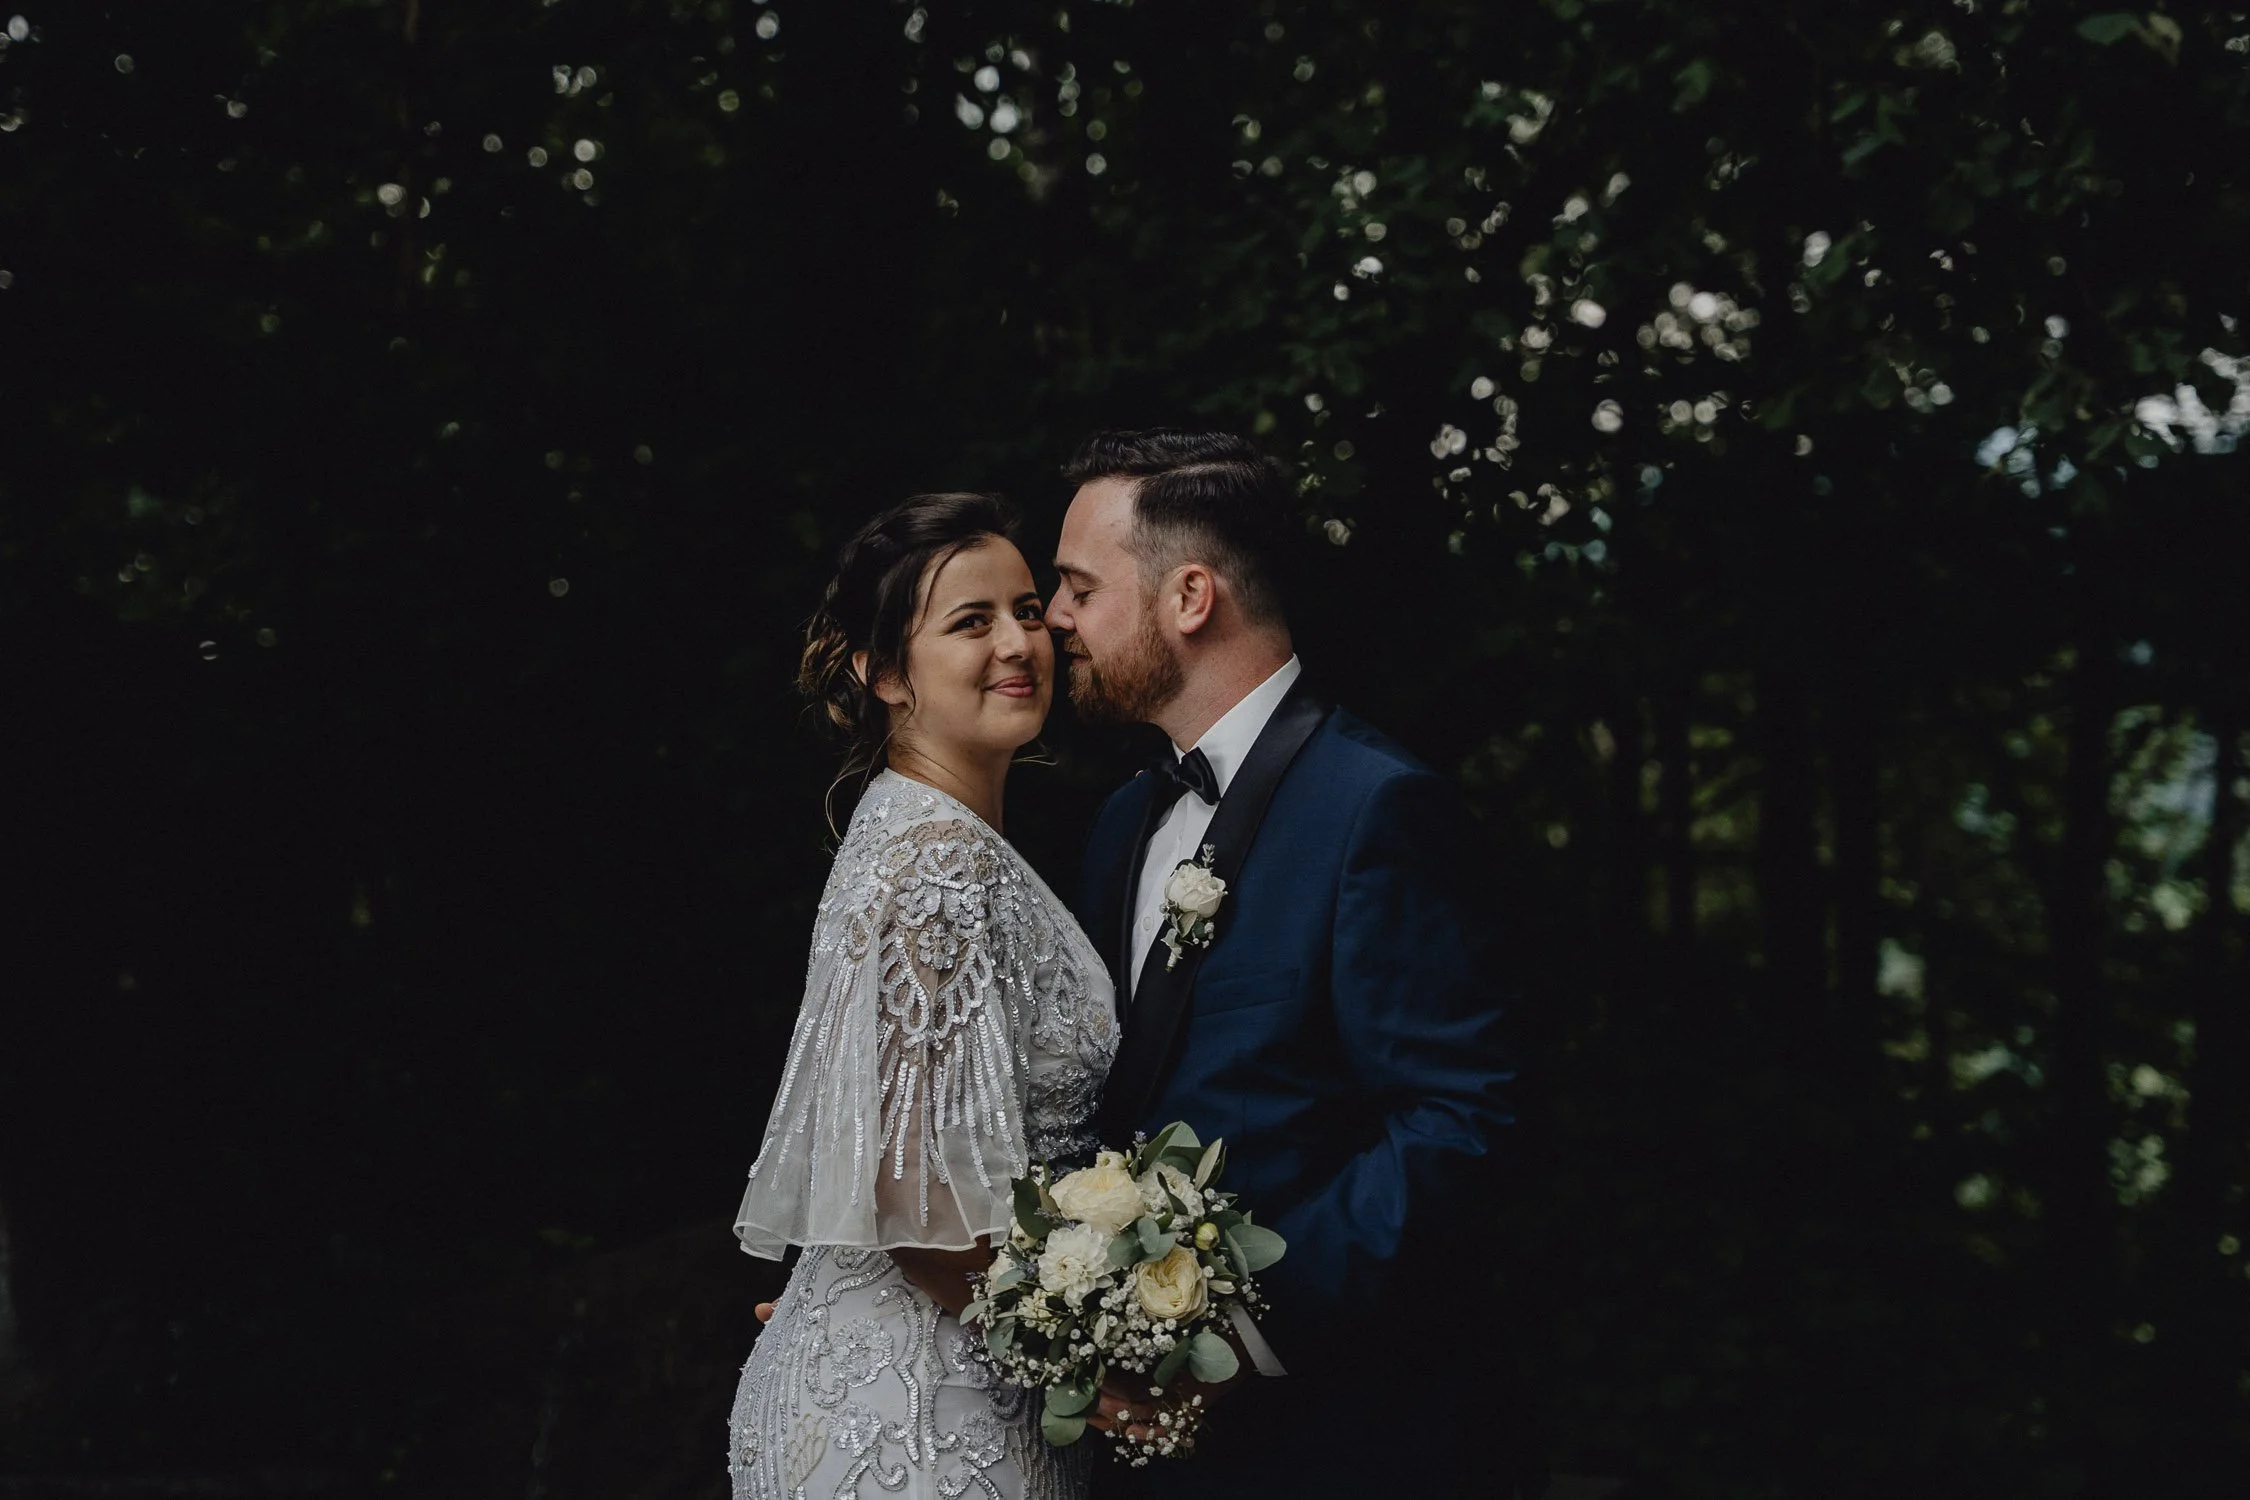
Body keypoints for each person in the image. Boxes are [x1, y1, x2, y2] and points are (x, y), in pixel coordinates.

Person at [1045, 430, 1526, 1495]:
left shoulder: (1376, 807)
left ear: (1191, 597)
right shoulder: (1121, 823)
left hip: (1332, 1435)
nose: (1056, 618)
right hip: (1139, 1449)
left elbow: (1458, 1121)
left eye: (1080, 587)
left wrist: (1240, 1325)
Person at [726, 492, 1117, 1500]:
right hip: (924, 1422)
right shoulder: (936, 854)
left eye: (1026, 610)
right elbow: (917, 1200)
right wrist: (1106, 1362)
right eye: (970, 621)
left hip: (929, 1368)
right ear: (885, 671)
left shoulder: (912, 828)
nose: (1018, 643)